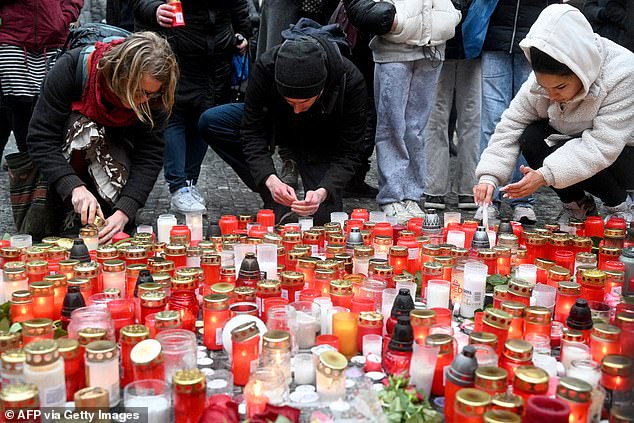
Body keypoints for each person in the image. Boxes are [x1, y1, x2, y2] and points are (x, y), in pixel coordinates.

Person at [473, 4, 634, 225]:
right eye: (544, 87)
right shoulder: (542, 83)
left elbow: (601, 146)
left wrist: (545, 175)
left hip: (623, 156)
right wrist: (489, 177)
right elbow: (511, 125)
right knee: (532, 137)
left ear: (581, 71)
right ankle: (579, 207)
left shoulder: (623, 72)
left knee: (592, 152)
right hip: (578, 144)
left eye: (559, 88)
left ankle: (621, 206)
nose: (552, 95)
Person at [26, 32, 179, 243]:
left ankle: (109, 207)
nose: (144, 100)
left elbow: (149, 155)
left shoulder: (154, 98)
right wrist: (73, 186)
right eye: (138, 92)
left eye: (151, 94)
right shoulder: (71, 68)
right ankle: (66, 209)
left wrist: (126, 210)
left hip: (119, 155)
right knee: (83, 127)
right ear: (119, 73)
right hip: (68, 153)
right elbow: (40, 138)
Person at [199, 34, 367, 225]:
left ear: (320, 90)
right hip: (276, 123)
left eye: (303, 102)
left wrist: (324, 191)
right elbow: (251, 130)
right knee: (211, 121)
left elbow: (351, 151)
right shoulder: (266, 67)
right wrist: (269, 179)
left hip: (321, 136)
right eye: (290, 101)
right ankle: (275, 194)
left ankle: (304, 175)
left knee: (323, 219)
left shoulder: (350, 81)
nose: (296, 110)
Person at [134, 0, 252, 214]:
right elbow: (140, 4)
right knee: (174, 114)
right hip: (177, 51)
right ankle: (178, 186)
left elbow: (239, 6)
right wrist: (155, 10)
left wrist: (243, 32)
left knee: (204, 116)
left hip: (217, 58)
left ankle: (188, 184)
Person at [370, 0, 461, 222]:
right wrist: (391, 19)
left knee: (416, 127)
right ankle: (391, 196)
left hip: (433, 43)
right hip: (394, 42)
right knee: (392, 125)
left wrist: (453, 13)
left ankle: (411, 194)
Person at [477, 0, 555, 224]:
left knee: (528, 122)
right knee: (492, 122)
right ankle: (488, 198)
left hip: (533, 40)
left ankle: (522, 199)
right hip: (494, 36)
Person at [0, 0, 83, 156]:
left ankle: (42, 163)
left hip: (55, 42)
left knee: (50, 105)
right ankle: (27, 162)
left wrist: (63, 17)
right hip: (13, 40)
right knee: (18, 105)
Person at [423, 0, 480, 211]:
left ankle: (465, 187)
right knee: (439, 116)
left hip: (472, 38)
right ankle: (438, 187)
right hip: (441, 38)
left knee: (470, 117)